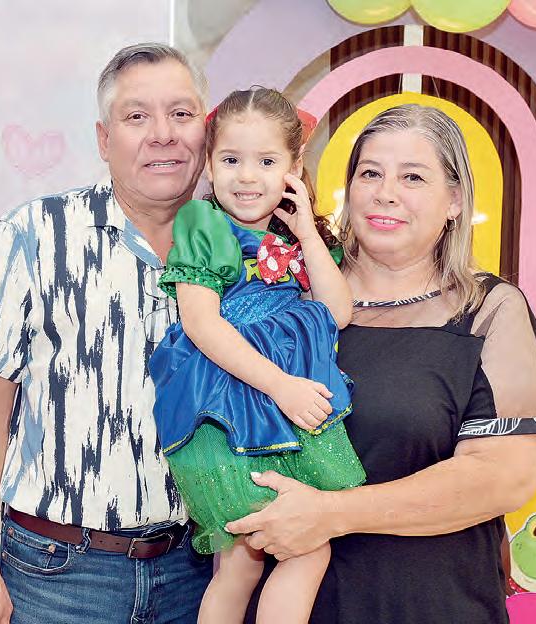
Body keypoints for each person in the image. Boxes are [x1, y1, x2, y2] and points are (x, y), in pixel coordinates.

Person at [230, 103, 536, 624]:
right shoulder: (286, 296)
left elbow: (503, 477)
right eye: (370, 173)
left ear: (455, 200)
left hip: (432, 605)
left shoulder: (489, 311)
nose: (385, 192)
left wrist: (331, 514)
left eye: (413, 177)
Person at [0, 43, 213, 624]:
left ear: (206, 129)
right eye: (137, 116)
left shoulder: (233, 246)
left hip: (197, 575)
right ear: (103, 139)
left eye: (181, 113)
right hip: (57, 578)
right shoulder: (38, 233)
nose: (163, 134)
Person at [148, 87, 366, 623]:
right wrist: (281, 386)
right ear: (209, 164)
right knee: (280, 554)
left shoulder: (297, 238)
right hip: (228, 409)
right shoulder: (204, 224)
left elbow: (338, 311)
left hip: (280, 412)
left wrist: (306, 231)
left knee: (251, 562)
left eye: (266, 162)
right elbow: (201, 324)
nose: (247, 177)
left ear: (294, 168)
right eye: (230, 160)